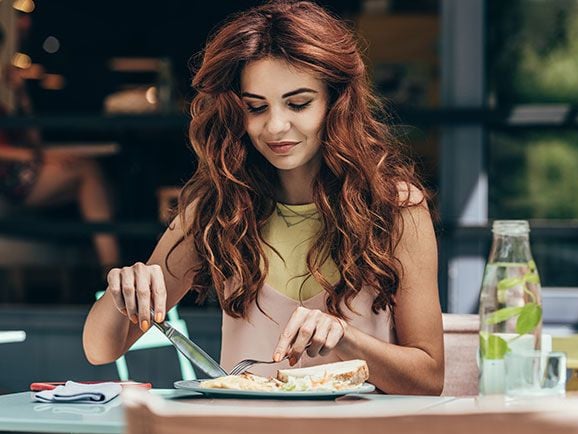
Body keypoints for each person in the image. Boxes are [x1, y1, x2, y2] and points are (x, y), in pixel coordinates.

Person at [83, 0, 443, 395]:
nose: (275, 126)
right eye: (256, 107)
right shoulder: (218, 207)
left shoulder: (394, 207)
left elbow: (428, 379)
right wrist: (125, 289)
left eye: (298, 103)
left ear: (336, 102)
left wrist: (346, 339)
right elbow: (101, 349)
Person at [0, 23, 121, 268]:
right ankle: (111, 268)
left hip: (20, 169)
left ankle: (109, 266)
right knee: (88, 172)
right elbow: (25, 151)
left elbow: (34, 139)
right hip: (9, 178)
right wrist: (37, 158)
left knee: (93, 177)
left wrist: (21, 93)